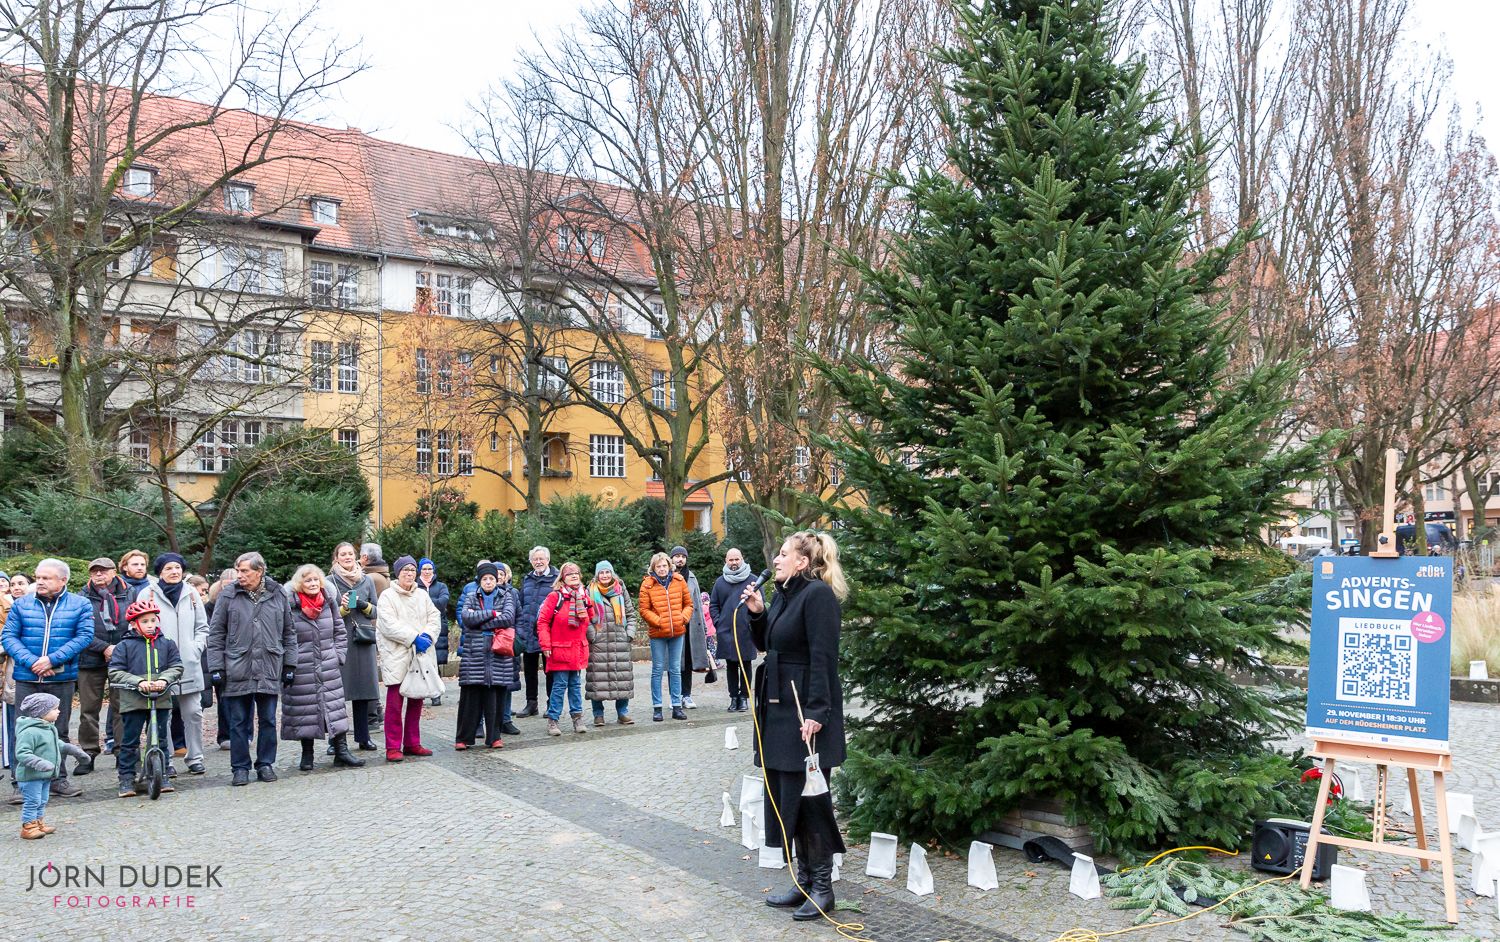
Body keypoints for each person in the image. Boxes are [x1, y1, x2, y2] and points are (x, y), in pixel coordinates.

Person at [742, 530, 849, 921]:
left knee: (810, 800)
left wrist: (818, 713)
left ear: (803, 562)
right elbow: (772, 644)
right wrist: (758, 613)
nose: (776, 559)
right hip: (779, 711)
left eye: (784, 554)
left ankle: (823, 887)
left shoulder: (817, 596)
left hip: (805, 715)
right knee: (789, 798)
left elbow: (824, 658)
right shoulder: (785, 594)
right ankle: (804, 879)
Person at [2, 559, 93, 799]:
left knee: (58, 730)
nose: (39, 582)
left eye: (46, 578)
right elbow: (9, 637)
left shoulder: (80, 604)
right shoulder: (21, 605)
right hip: (26, 676)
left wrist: (52, 660)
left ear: (63, 580)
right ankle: (20, 784)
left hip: (61, 677)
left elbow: (84, 636)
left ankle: (57, 780)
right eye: (38, 577)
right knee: (23, 731)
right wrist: (34, 662)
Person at [207, 552, 297, 787]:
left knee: (268, 719)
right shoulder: (228, 595)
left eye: (245, 571)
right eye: (238, 570)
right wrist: (216, 666)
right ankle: (240, 767)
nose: (240, 575)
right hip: (237, 666)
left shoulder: (278, 593)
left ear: (259, 571)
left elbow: (289, 632)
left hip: (269, 664)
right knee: (238, 721)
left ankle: (265, 763)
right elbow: (216, 634)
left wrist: (290, 664)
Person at [283, 564, 363, 772]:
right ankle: (307, 754)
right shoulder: (291, 606)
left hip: (328, 664)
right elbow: (285, 636)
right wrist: (291, 662)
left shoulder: (328, 603)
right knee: (306, 711)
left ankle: (342, 752)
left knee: (335, 708)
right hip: (302, 666)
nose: (312, 584)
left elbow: (339, 629)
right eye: (308, 580)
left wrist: (339, 655)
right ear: (300, 584)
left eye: (315, 580)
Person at [134, 553, 209, 776]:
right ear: (160, 572)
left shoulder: (192, 593)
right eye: (169, 568)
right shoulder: (146, 593)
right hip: (160, 666)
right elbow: (137, 627)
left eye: (177, 567)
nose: (174, 572)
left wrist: (195, 648)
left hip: (189, 664)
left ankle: (195, 757)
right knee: (162, 715)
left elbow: (203, 628)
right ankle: (165, 759)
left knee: (194, 712)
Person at [108, 598, 184, 798]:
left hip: (160, 698)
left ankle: (163, 774)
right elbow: (115, 671)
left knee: (160, 739)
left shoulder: (167, 644)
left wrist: (165, 680)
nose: (151, 625)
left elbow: (176, 666)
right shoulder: (124, 646)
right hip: (133, 700)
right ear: (134, 624)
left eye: (153, 620)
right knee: (130, 740)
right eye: (145, 622)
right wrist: (137, 682)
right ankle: (126, 778)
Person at [376, 556, 439, 762]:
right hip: (397, 655)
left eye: (412, 570)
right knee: (394, 703)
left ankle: (412, 742)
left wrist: (428, 636)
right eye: (405, 570)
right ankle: (393, 746)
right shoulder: (387, 596)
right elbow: (388, 625)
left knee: (416, 699)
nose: (409, 574)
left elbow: (434, 617)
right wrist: (413, 638)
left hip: (419, 656)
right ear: (398, 573)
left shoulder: (422, 595)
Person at [77, 558, 132, 772]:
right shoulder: (82, 597)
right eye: (94, 572)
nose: (99, 575)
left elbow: (136, 621)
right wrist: (104, 648)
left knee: (122, 707)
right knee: (89, 709)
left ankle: (122, 752)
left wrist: (119, 648)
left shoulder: (130, 592)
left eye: (103, 571)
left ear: (114, 572)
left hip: (122, 657)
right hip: (90, 658)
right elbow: (80, 629)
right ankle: (88, 753)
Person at [455, 562, 518, 749]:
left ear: (497, 580)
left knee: (495, 698)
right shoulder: (471, 596)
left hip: (498, 654)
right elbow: (466, 617)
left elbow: (508, 618)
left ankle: (494, 737)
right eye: (485, 579)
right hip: (474, 653)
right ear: (480, 581)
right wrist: (491, 613)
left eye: (492, 578)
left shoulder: (506, 596)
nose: (489, 581)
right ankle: (463, 739)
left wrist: (479, 620)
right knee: (470, 698)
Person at [14, 692, 90, 839]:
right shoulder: (29, 732)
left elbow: (57, 744)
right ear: (42, 712)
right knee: (32, 801)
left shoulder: (49, 728)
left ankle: (38, 823)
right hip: (30, 776)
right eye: (54, 709)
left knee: (42, 800)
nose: (59, 711)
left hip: (45, 776)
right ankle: (28, 827)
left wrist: (73, 750)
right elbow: (22, 753)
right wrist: (40, 763)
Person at [327, 542, 380, 752]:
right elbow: (326, 614)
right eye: (343, 554)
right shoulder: (330, 582)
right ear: (336, 558)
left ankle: (363, 737)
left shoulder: (366, 580)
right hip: (340, 640)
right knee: (337, 693)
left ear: (356, 556)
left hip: (363, 640)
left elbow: (376, 610)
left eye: (350, 553)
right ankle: (336, 741)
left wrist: (363, 605)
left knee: (363, 691)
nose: (347, 557)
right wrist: (343, 609)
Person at [537, 562, 597, 736]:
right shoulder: (554, 597)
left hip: (577, 648)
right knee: (559, 685)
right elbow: (542, 623)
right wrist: (545, 645)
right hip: (560, 649)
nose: (574, 576)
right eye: (570, 574)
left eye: (577, 574)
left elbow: (591, 618)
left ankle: (577, 718)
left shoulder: (583, 595)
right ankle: (553, 720)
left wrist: (586, 601)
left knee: (575, 685)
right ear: (563, 578)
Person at [637, 552, 692, 722]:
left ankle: (677, 706)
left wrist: (682, 618)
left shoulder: (679, 581)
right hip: (658, 633)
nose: (662, 569)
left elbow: (688, 604)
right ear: (653, 568)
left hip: (677, 631)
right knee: (657, 670)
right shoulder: (647, 585)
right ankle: (657, 707)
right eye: (658, 566)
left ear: (670, 566)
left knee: (675, 669)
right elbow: (644, 610)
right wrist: (659, 621)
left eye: (664, 566)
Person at [585, 560, 636, 727]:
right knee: (596, 680)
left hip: (620, 640)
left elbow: (630, 613)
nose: (605, 575)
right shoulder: (589, 591)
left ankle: (623, 712)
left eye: (608, 572)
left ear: (612, 573)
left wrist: (629, 634)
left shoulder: (621, 590)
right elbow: (585, 616)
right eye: (602, 573)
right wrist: (593, 635)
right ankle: (598, 714)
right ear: (597, 575)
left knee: (622, 677)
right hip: (598, 644)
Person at [710, 548, 760, 713]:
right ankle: (733, 698)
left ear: (742, 559)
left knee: (746, 665)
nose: (734, 563)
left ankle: (744, 698)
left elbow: (760, 605)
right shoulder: (720, 582)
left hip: (747, 632)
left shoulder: (753, 580)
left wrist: (752, 624)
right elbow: (714, 605)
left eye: (736, 559)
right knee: (731, 665)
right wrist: (719, 623)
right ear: (726, 561)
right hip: (727, 632)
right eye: (731, 560)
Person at [516, 546, 557, 719]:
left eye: (541, 559)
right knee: (530, 671)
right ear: (531, 561)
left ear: (548, 560)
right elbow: (521, 604)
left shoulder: (556, 579)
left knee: (550, 670)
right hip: (528, 632)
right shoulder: (527, 579)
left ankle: (551, 704)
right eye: (535, 559)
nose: (538, 562)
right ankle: (531, 703)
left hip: (549, 632)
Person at [670, 546, 712, 707]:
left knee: (687, 661)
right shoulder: (667, 576)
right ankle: (675, 696)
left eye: (683, 556)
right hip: (673, 625)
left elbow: (699, 605)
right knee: (674, 663)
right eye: (677, 556)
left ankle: (686, 695)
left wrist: (704, 629)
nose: (680, 559)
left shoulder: (692, 578)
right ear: (672, 558)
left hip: (691, 626)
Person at [205, 568, 238, 751]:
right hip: (221, 655)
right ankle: (225, 734)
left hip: (241, 655)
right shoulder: (211, 606)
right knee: (224, 698)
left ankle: (245, 733)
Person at [418, 558, 451, 707]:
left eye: (429, 569)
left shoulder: (441, 586)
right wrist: (433, 603)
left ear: (433, 570)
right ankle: (420, 692)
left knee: (435, 662)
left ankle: (436, 694)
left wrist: (423, 603)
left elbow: (443, 602)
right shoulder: (414, 586)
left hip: (438, 628)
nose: (426, 571)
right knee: (419, 661)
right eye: (424, 569)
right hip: (418, 627)